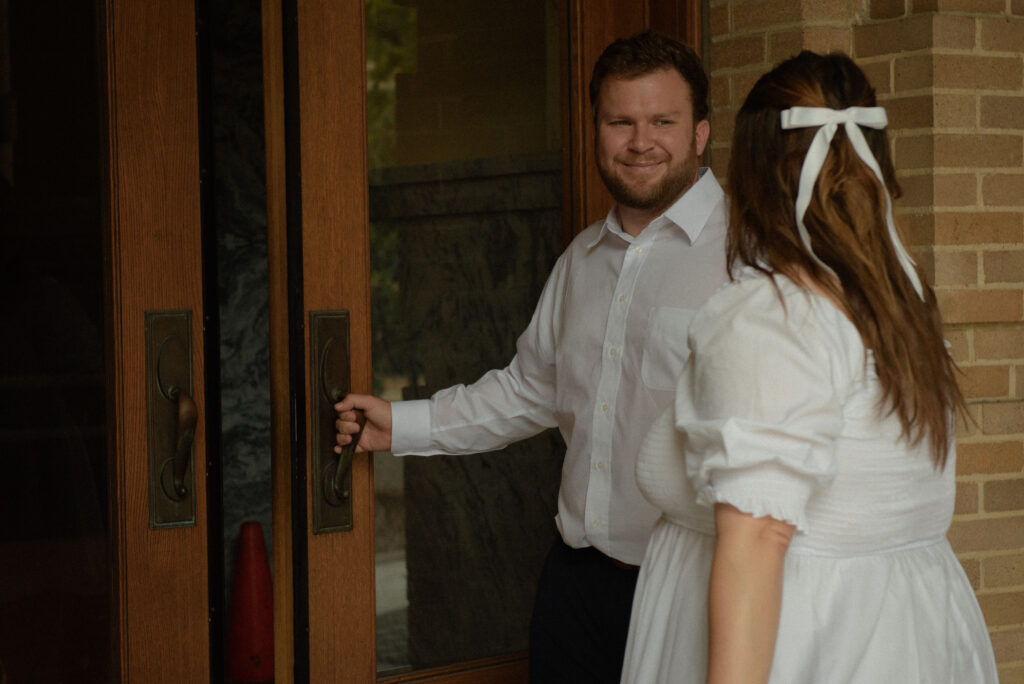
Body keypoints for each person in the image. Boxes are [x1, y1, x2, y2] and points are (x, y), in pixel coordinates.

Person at [335, 30, 731, 683]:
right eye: (620, 122)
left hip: (687, 585)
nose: (640, 141)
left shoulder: (750, 257)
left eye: (663, 120)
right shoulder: (581, 259)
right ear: (596, 131)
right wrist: (399, 425)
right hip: (574, 584)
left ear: (700, 133)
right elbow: (529, 390)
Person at [619, 50, 999, 684]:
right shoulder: (898, 307)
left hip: (808, 646)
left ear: (755, 174)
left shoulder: (773, 320)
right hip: (901, 638)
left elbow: (757, 542)